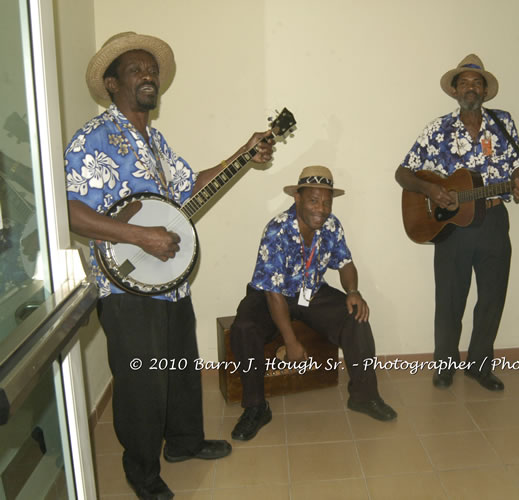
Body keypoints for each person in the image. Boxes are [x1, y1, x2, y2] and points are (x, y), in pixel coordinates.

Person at [65, 32, 274, 500]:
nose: (148, 75)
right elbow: (70, 211)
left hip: (170, 282)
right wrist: (140, 235)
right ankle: (141, 471)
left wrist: (243, 153)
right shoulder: (93, 138)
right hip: (125, 287)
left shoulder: (153, 141)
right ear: (112, 82)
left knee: (179, 366)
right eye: (137, 69)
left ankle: (184, 442)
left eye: (152, 69)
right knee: (141, 382)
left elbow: (189, 186)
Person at [395, 54, 519, 391]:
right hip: (451, 226)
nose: (471, 88)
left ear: (485, 91)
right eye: (465, 82)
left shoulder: (503, 123)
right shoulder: (437, 128)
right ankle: (444, 365)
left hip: (494, 218)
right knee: (449, 299)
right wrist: (431, 188)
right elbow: (402, 173)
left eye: (477, 83)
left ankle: (479, 365)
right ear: (455, 90)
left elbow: (517, 166)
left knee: (492, 298)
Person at [229, 165, 396, 441]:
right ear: (298, 198)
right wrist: (290, 341)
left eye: (326, 202)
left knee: (356, 317)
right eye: (314, 200)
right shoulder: (277, 230)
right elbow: (274, 293)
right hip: (270, 294)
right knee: (244, 327)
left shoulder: (331, 225)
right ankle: (255, 407)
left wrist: (353, 290)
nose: (321, 208)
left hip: (311, 290)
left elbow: (345, 263)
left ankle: (364, 397)